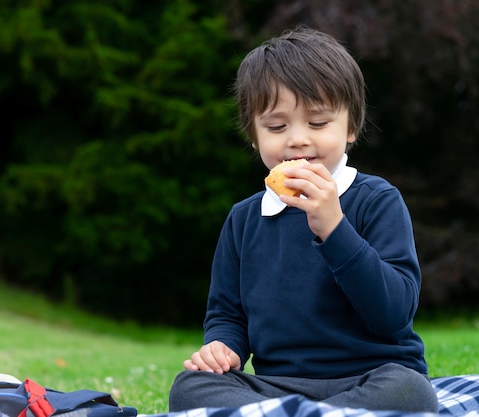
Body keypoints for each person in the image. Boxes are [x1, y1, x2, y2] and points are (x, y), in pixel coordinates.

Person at [168, 27, 438, 413]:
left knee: (410, 392)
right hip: (276, 384)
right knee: (190, 387)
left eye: (317, 123)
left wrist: (334, 228)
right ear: (253, 135)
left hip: (371, 376)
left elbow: (393, 314)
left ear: (350, 128)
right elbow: (228, 313)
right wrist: (223, 347)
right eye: (277, 127)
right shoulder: (245, 219)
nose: (297, 140)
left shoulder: (376, 200)